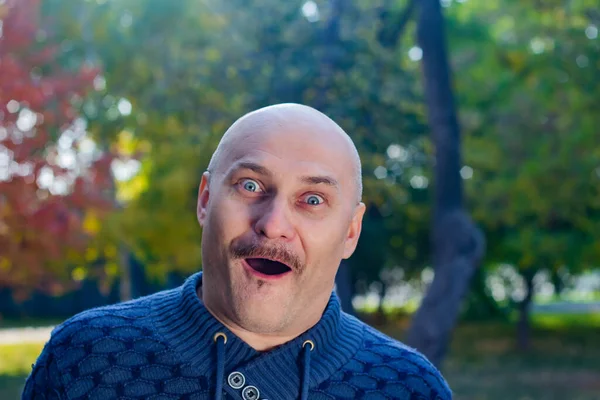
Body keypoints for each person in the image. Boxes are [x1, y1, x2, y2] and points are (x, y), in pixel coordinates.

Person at [23, 103, 452, 400]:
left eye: (313, 200)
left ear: (351, 232)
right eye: (250, 186)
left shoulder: (408, 388)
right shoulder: (85, 357)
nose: (273, 224)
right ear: (206, 199)